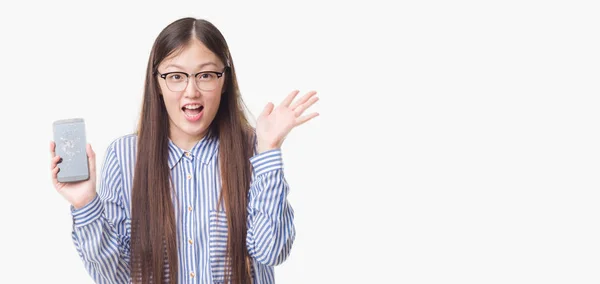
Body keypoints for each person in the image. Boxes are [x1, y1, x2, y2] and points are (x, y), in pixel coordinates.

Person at [49, 17, 318, 284]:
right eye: (176, 76)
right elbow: (116, 278)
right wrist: (85, 204)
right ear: (157, 83)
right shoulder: (124, 156)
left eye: (205, 75)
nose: (192, 91)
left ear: (224, 81)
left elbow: (272, 251)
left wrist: (268, 150)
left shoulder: (253, 149)